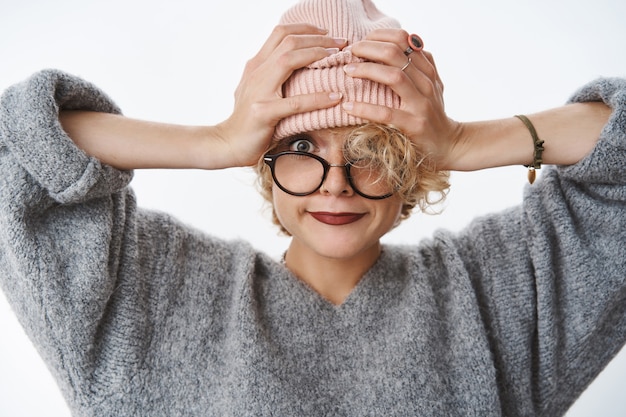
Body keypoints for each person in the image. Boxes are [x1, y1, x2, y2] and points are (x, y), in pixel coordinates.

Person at [0, 0, 624, 415]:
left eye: (371, 149)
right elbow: (16, 145)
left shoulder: (501, 296)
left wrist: (462, 140)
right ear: (263, 162)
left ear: (415, 166)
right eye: (302, 146)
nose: (337, 185)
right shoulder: (151, 289)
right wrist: (214, 142)